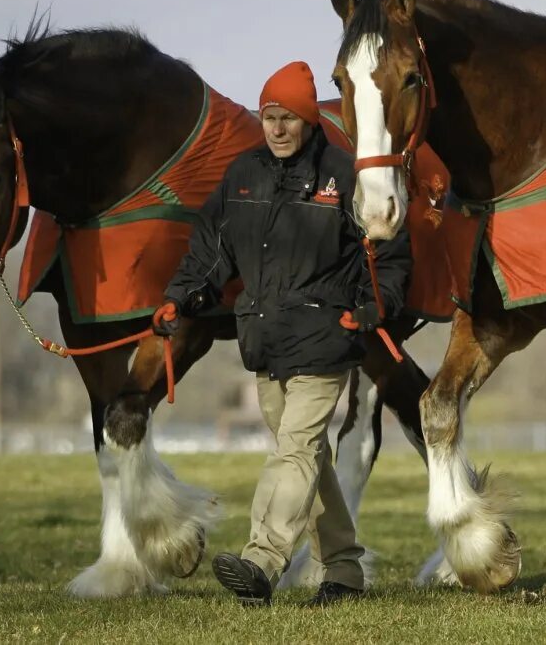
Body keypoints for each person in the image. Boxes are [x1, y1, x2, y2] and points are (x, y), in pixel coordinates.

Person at [152, 61, 411, 607]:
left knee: (294, 453)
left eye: (287, 118)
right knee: (308, 458)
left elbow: (387, 250)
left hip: (324, 336)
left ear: (308, 121)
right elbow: (209, 250)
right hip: (265, 342)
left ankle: (262, 560)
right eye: (269, 116)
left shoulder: (342, 176)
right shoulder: (242, 175)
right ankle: (344, 571)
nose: (276, 128)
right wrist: (180, 297)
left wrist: (373, 306)